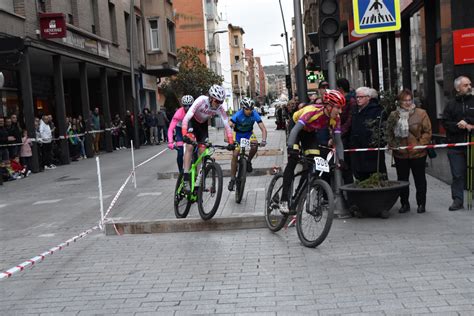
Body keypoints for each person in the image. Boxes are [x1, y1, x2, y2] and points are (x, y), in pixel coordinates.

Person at [278, 90, 346, 214]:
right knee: (293, 160)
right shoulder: (312, 111)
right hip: (297, 128)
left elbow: (338, 141)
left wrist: (341, 159)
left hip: (310, 133)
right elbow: (295, 131)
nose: (340, 111)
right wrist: (291, 148)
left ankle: (296, 197)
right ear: (329, 106)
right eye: (338, 108)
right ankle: (283, 200)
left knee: (313, 163)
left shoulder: (336, 118)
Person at [387, 89, 432, 214]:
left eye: (409, 100)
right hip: (400, 154)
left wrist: (419, 145)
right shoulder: (394, 115)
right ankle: (404, 203)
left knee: (420, 180)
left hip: (418, 153)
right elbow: (389, 132)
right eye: (404, 100)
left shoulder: (421, 113)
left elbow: (427, 132)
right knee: (402, 180)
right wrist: (393, 144)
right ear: (399, 101)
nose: (407, 103)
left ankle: (421, 204)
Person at [181, 85, 234, 191]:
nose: (219, 104)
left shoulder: (219, 108)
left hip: (202, 127)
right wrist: (184, 134)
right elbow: (186, 118)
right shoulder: (201, 100)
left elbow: (227, 126)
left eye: (221, 102)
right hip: (192, 123)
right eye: (217, 101)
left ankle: (198, 180)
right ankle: (186, 176)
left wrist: (231, 142)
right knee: (190, 147)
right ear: (210, 98)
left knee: (202, 151)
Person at [442, 75, 473, 211]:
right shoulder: (450, 104)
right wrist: (458, 125)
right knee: (457, 174)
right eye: (466, 85)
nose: (469, 87)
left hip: (472, 143)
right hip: (456, 144)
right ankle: (458, 199)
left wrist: (469, 123)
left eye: (470, 84)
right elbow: (445, 122)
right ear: (458, 88)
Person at [227, 97, 267, 191]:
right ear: (243, 108)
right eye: (247, 109)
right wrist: (228, 140)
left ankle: (248, 161)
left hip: (248, 134)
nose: (249, 111)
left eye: (251, 109)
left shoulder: (254, 114)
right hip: (237, 135)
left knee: (255, 145)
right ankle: (232, 179)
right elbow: (228, 126)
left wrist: (264, 140)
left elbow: (263, 129)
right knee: (235, 154)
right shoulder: (238, 115)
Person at [349, 87, 386, 181]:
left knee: (375, 178)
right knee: (360, 178)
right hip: (358, 152)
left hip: (372, 153)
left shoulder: (377, 111)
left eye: (361, 97)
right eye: (357, 97)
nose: (358, 99)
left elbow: (382, 130)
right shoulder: (354, 110)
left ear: (368, 97)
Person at [336, 78, 356, 184]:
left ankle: (349, 192)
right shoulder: (345, 100)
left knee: (346, 167)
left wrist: (340, 132)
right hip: (343, 135)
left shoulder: (350, 101)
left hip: (347, 137)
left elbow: (349, 119)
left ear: (340, 88)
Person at [168, 95, 194, 174]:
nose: (187, 108)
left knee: (195, 149)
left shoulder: (195, 111)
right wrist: (170, 142)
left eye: (190, 105)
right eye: (185, 106)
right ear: (182, 105)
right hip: (180, 130)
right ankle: (181, 172)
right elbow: (170, 129)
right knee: (180, 153)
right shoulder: (179, 113)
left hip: (190, 128)